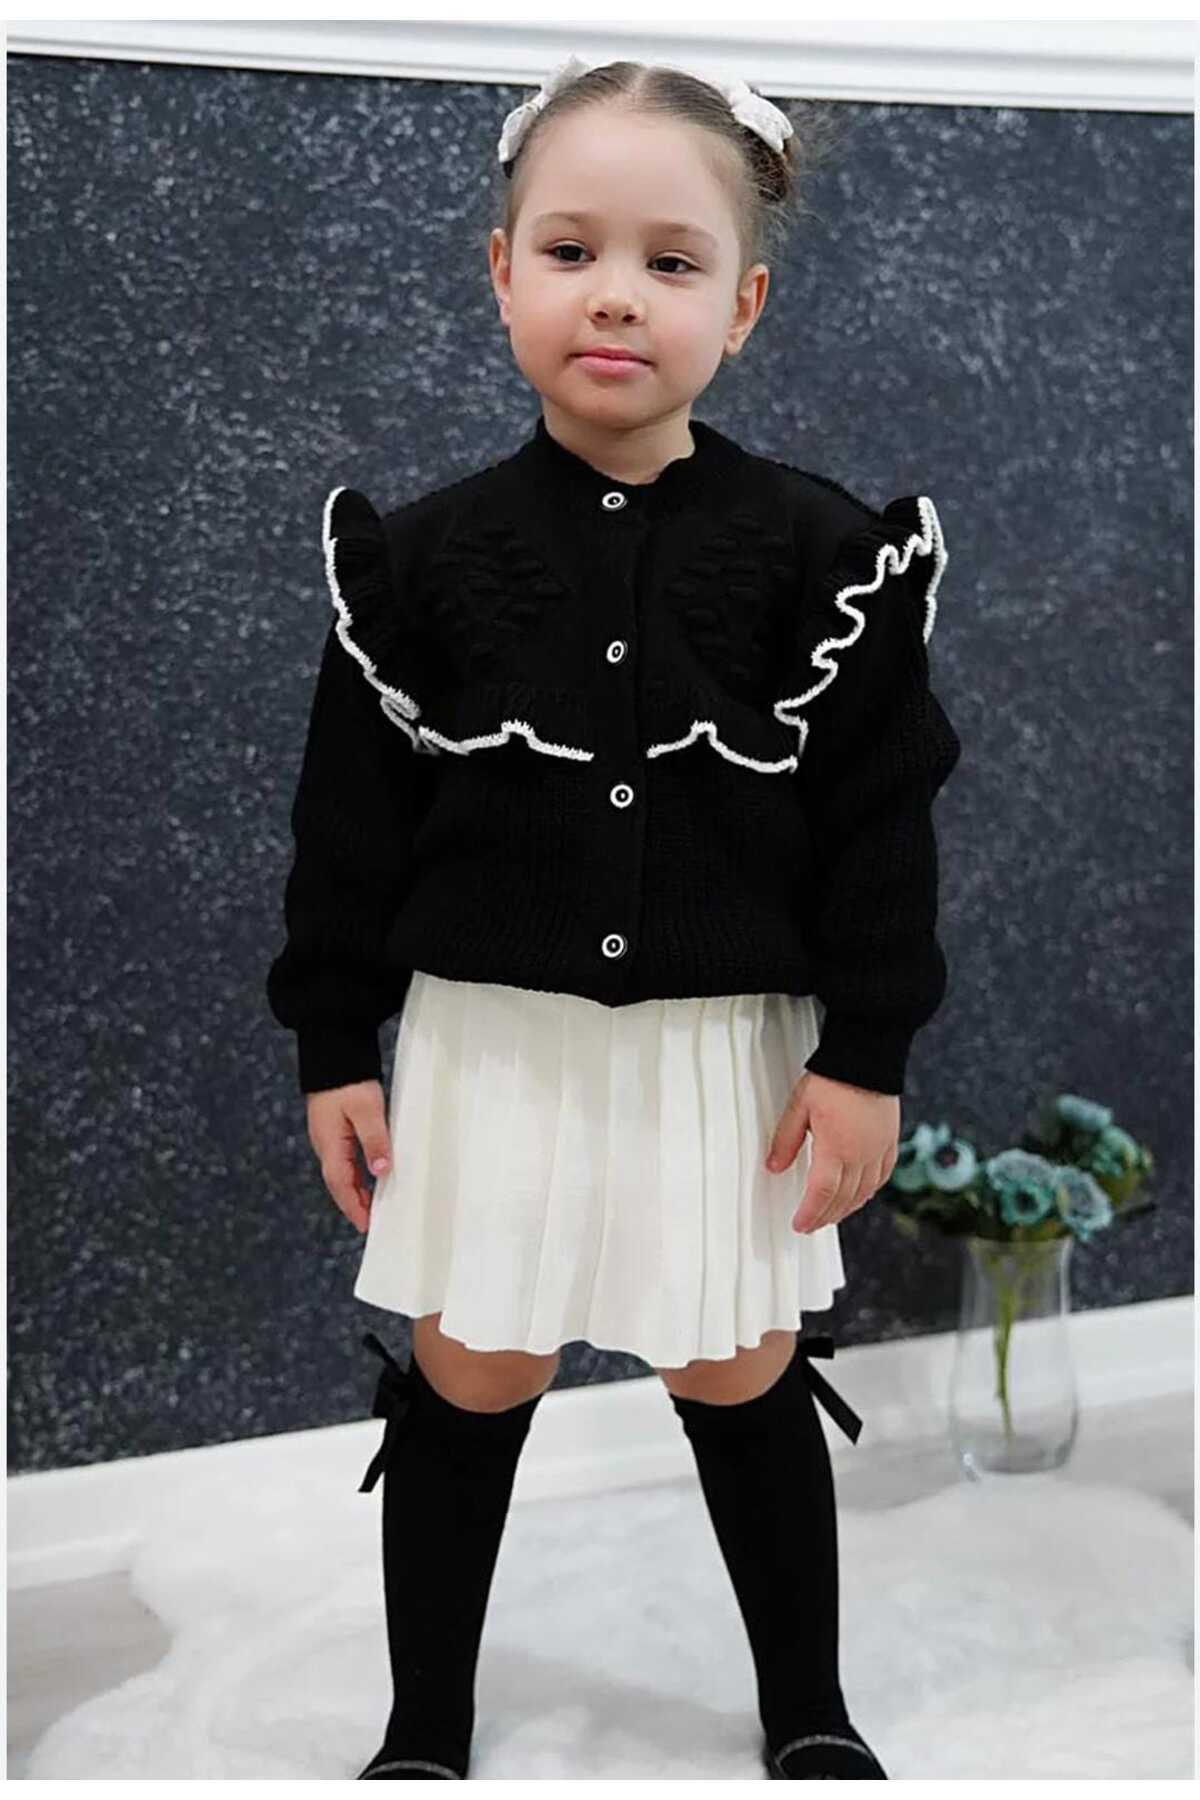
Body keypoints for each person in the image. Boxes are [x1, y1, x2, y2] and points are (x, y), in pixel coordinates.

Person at [265, 51, 962, 1783]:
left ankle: (807, 1705)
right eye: (571, 251)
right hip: (494, 1047)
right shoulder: (420, 563)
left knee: (738, 1368)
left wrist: (868, 1055)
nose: (616, 296)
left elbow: (880, 832)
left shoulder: (822, 556)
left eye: (671, 261)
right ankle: (426, 1725)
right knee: (472, 1368)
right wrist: (335, 1044)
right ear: (501, 271)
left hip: (728, 1057)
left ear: (745, 306)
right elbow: (347, 834)